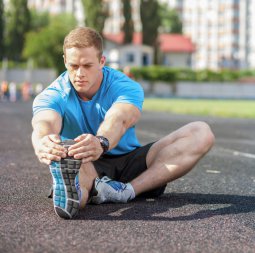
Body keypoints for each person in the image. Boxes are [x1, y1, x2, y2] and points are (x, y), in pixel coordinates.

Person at [31, 27, 214, 219]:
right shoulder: (53, 94)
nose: (79, 73)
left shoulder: (124, 86)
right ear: (64, 62)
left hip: (130, 160)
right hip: (86, 161)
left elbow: (119, 118)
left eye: (87, 65)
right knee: (72, 166)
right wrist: (43, 142)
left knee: (201, 132)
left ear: (102, 61)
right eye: (74, 66)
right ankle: (75, 190)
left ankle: (125, 191)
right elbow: (44, 122)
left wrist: (101, 141)